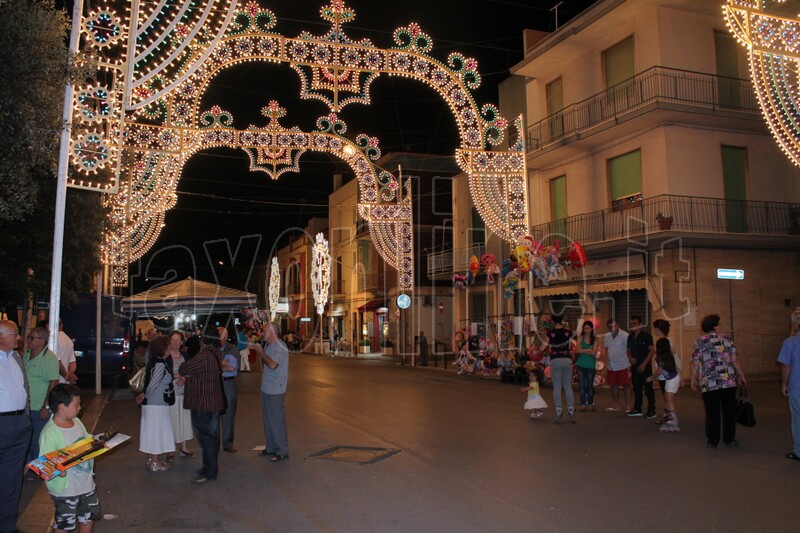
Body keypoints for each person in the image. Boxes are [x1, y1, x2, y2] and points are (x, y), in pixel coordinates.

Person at [40, 384, 101, 533]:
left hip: (86, 484)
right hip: (66, 489)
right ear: (62, 407)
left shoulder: (76, 422)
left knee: (89, 516)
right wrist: (57, 469)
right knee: (64, 523)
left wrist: (97, 442)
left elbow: (85, 439)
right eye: (76, 404)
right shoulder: (50, 433)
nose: (79, 407)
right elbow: (45, 464)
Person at [691, 314, 747, 448]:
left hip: (709, 382)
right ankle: (729, 439)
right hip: (728, 381)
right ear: (715, 326)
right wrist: (742, 375)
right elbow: (735, 360)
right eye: (719, 324)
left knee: (712, 412)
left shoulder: (699, 341)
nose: (720, 326)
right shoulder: (728, 339)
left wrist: (693, 379)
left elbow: (696, 363)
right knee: (729, 411)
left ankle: (712, 441)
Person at [179, 333, 225, 483]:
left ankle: (210, 471)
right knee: (210, 438)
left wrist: (189, 373)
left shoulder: (205, 355)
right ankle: (208, 468)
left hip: (204, 403)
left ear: (203, 340)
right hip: (211, 401)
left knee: (207, 438)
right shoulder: (216, 353)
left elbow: (184, 367)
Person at [0, 320, 32, 533]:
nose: (19, 338)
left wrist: (26, 418)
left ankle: (8, 526)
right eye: (14, 334)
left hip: (20, 424)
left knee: (12, 480)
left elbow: (24, 387)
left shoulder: (16, 357)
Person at [135, 336, 175, 471]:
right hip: (157, 404)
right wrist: (145, 397)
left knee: (153, 431)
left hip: (154, 404)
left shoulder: (155, 361)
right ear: (164, 348)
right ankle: (155, 462)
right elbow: (153, 385)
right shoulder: (159, 363)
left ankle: (153, 459)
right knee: (157, 432)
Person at [23, 326, 60, 469]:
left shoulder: (49, 359)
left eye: (32, 338)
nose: (29, 340)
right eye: (29, 337)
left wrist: (46, 406)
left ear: (42, 341)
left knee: (37, 440)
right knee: (27, 439)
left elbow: (53, 383)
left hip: (39, 407)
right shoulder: (27, 355)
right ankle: (29, 467)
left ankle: (38, 469)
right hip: (26, 406)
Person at [252, 322, 289, 462]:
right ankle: (271, 447)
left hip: (276, 389)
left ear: (273, 332)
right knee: (268, 420)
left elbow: (272, 365)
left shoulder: (280, 346)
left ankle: (282, 451)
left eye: (265, 331)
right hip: (267, 387)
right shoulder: (269, 345)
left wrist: (261, 353)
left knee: (276, 420)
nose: (262, 334)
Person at [166, 331, 193, 460]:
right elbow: (166, 373)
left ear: (182, 342)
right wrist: (179, 376)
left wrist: (185, 378)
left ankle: (184, 447)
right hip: (171, 394)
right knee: (172, 421)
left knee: (184, 421)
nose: (175, 342)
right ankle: (170, 450)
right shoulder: (166, 356)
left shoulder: (185, 355)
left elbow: (190, 370)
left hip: (184, 393)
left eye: (178, 340)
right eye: (173, 340)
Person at [778, 308, 800, 461]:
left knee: (797, 419)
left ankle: (798, 451)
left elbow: (786, 366)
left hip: (797, 387)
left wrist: (784, 384)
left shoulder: (790, 342)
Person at [546, 315, 575, 424]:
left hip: (555, 360)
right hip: (567, 360)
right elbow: (572, 343)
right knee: (568, 386)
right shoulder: (568, 332)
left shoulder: (550, 333)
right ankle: (571, 410)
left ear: (553, 322)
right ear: (562, 321)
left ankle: (559, 411)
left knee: (557, 387)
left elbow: (542, 348)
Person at [627, 315, 656, 419]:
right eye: (631, 324)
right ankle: (637, 408)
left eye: (635, 323)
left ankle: (652, 410)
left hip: (645, 366)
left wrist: (644, 364)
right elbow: (628, 350)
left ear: (640, 324)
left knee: (648, 388)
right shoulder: (630, 337)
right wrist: (630, 358)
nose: (633, 326)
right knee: (636, 388)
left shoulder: (647, 336)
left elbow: (652, 350)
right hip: (634, 366)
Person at [218, 326, 239, 453]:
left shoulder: (232, 349)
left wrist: (214, 365)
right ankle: (213, 443)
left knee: (228, 414)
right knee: (213, 414)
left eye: (220, 335)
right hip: (215, 383)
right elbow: (224, 364)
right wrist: (222, 363)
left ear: (225, 336)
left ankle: (228, 443)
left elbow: (231, 368)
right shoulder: (212, 348)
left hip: (228, 384)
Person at [653, 338, 681, 432]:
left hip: (672, 379)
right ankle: (670, 418)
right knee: (667, 397)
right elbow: (676, 367)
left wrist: (652, 377)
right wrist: (680, 378)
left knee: (669, 399)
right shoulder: (669, 355)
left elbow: (660, 370)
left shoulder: (661, 357)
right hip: (672, 378)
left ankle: (673, 421)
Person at [603, 319, 631, 412]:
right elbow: (605, 348)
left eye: (613, 326)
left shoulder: (625, 335)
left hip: (623, 364)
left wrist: (630, 366)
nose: (611, 328)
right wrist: (601, 354)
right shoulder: (607, 336)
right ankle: (616, 404)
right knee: (613, 385)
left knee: (626, 385)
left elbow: (628, 350)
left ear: (617, 325)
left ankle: (628, 405)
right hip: (611, 365)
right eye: (609, 327)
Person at [574, 320, 600, 412]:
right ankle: (582, 404)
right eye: (584, 328)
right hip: (580, 364)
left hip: (590, 365)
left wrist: (583, 349)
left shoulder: (595, 339)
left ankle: (590, 403)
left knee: (589, 385)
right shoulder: (580, 337)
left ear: (592, 329)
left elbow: (594, 352)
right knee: (582, 385)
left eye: (588, 328)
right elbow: (577, 350)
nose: (586, 330)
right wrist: (588, 349)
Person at [56, 319, 78, 384]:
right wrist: (70, 373)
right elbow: (73, 362)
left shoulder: (53, 339)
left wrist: (66, 375)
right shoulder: (69, 340)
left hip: (55, 381)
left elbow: (57, 362)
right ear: (61, 326)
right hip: (64, 382)